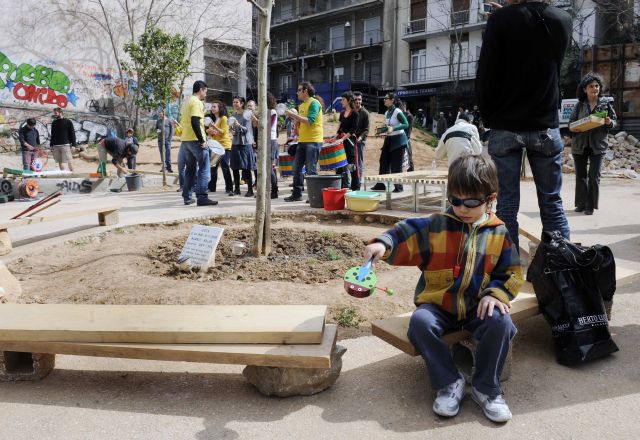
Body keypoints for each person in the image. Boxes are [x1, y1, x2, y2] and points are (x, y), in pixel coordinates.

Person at [364, 154, 523, 423]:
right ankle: (450, 382)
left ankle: (486, 388)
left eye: (471, 201)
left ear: (490, 198)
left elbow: (511, 273)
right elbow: (405, 232)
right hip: (439, 306)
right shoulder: (436, 225)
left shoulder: (499, 233)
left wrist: (496, 294)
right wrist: (383, 244)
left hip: (476, 306)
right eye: (455, 199)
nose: (462, 207)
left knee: (502, 323)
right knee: (420, 323)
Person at [476, 0, 572, 250]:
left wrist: (487, 117)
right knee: (552, 202)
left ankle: (508, 268)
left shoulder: (500, 20)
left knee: (506, 203)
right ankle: (559, 268)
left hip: (506, 125)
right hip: (544, 124)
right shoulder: (562, 19)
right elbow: (546, 62)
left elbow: (486, 73)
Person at [569, 72, 616, 216]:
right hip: (580, 145)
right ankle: (581, 204)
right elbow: (571, 124)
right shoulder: (579, 105)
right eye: (591, 86)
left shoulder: (605, 104)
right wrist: (574, 128)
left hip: (598, 145)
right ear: (585, 89)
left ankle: (590, 205)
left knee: (594, 176)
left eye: (597, 86)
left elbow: (614, 121)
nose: (595, 89)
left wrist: (609, 122)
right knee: (581, 175)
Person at [178, 80, 217, 206]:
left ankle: (187, 197)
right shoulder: (197, 102)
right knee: (204, 168)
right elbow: (195, 121)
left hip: (186, 140)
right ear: (201, 90)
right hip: (196, 141)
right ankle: (201, 197)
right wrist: (202, 140)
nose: (206, 93)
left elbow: (189, 122)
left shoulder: (186, 102)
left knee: (190, 169)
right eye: (205, 91)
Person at [283, 81, 324, 202]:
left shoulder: (314, 103)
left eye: (299, 90)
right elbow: (300, 126)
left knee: (311, 169)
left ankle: (314, 196)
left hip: (313, 141)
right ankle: (297, 194)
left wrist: (293, 115)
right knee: (296, 168)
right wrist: (295, 123)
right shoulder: (301, 106)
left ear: (305, 91)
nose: (297, 92)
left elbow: (310, 120)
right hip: (302, 141)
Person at [370, 93, 408, 193]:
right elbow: (388, 127)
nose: (384, 100)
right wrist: (382, 131)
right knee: (383, 161)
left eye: (386, 98)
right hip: (389, 139)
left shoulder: (397, 111)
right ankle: (381, 184)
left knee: (396, 165)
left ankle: (398, 187)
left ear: (392, 100)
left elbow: (406, 124)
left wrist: (393, 128)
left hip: (399, 140)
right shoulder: (387, 112)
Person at [229, 96, 255, 197]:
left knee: (246, 167)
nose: (235, 104)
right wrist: (232, 130)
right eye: (234, 102)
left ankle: (250, 190)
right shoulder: (233, 115)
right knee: (235, 167)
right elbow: (231, 129)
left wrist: (239, 125)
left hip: (245, 144)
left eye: (237, 102)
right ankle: (237, 189)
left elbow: (247, 130)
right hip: (235, 143)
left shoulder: (247, 114)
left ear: (242, 104)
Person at [206, 100, 234, 196]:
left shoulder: (224, 118)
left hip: (225, 146)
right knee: (213, 167)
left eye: (214, 106)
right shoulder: (214, 119)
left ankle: (229, 188)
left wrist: (214, 127)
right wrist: (210, 132)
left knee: (225, 166)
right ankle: (211, 187)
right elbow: (215, 134)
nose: (212, 108)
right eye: (212, 106)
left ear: (219, 108)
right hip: (216, 147)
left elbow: (224, 132)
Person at [336, 91, 359, 190]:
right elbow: (340, 127)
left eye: (343, 100)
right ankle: (339, 188)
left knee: (351, 166)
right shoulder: (342, 113)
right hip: (341, 142)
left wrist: (342, 138)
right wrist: (335, 136)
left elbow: (353, 129)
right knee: (340, 166)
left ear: (349, 101)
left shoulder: (355, 113)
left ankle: (355, 189)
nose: (341, 101)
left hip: (350, 143)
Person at [50, 107, 76, 172]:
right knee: (59, 161)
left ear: (61, 113)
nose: (55, 114)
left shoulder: (68, 122)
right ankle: (63, 174)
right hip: (56, 145)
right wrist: (51, 145)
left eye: (56, 113)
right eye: (54, 113)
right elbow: (52, 134)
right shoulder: (54, 123)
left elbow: (72, 133)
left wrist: (74, 145)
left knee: (69, 160)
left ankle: (73, 174)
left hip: (65, 145)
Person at [353, 91, 369, 188]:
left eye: (359, 99)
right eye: (356, 100)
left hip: (360, 141)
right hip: (350, 141)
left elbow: (366, 129)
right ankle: (353, 181)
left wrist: (360, 137)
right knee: (351, 163)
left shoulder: (365, 113)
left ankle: (358, 182)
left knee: (359, 162)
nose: (358, 101)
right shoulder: (351, 111)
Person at [267, 92, 279, 199]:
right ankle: (272, 189)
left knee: (270, 168)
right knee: (270, 168)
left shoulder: (273, 112)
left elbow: (269, 126)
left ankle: (274, 190)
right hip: (266, 140)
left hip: (271, 140)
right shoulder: (265, 111)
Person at [401, 101, 415, 172]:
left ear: (404, 106)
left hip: (406, 139)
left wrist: (406, 139)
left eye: (401, 106)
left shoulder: (409, 116)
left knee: (409, 156)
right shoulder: (402, 115)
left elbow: (408, 130)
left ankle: (411, 171)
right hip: (401, 139)